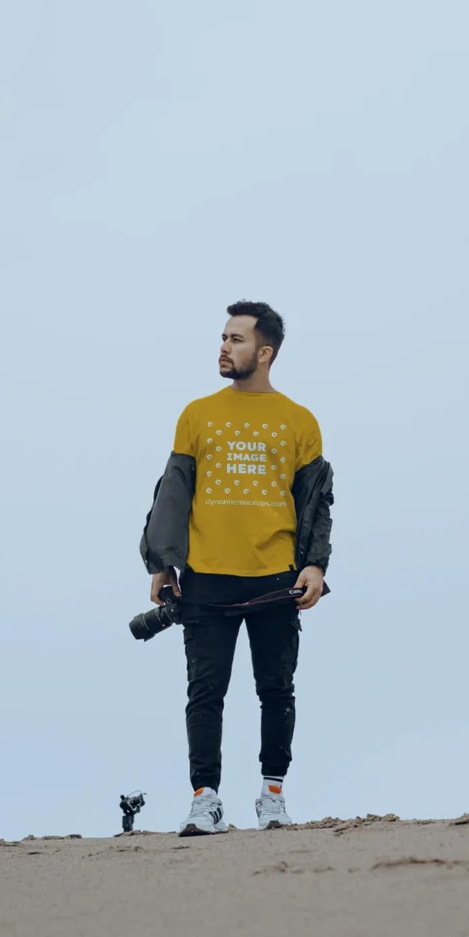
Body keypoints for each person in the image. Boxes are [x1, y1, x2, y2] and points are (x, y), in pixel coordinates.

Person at [140, 301, 334, 835]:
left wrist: (315, 564)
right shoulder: (197, 414)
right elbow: (173, 493)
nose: (224, 346)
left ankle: (273, 796)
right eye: (223, 337)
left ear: (265, 352)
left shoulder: (299, 421)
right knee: (205, 693)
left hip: (276, 579)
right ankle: (205, 800)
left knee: (276, 689)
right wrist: (163, 564)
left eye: (237, 339)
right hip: (205, 577)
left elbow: (316, 502)